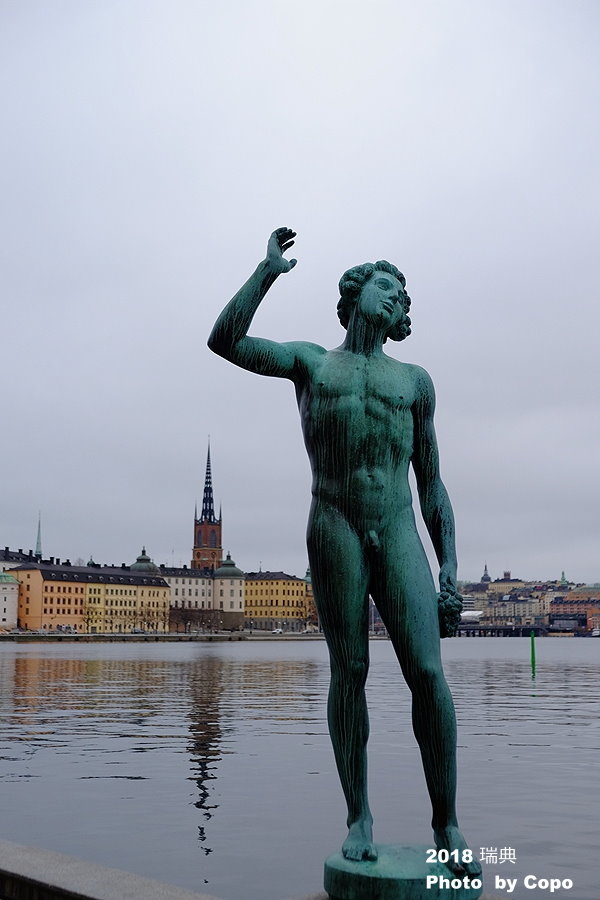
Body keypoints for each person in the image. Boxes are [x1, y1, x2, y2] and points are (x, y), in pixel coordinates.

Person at [208, 228, 480, 877]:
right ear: (357, 293)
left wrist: (449, 562)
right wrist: (266, 272)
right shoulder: (312, 364)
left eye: (403, 295)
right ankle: (359, 816)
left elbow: (432, 483)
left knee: (428, 673)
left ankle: (447, 822)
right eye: (388, 286)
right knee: (349, 668)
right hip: (334, 523)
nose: (398, 298)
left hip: (398, 524)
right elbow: (225, 341)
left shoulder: (415, 382)